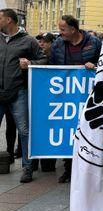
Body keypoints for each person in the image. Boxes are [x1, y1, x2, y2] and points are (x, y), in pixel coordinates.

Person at [49, 15, 102, 183]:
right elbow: (50, 66)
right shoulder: (58, 44)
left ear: (73, 29)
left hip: (89, 96)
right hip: (67, 97)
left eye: (63, 29)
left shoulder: (93, 43)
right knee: (68, 131)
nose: (60, 32)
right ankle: (69, 169)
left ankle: (89, 169)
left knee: (88, 131)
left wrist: (94, 65)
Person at [0, 8, 47, 183]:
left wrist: (31, 63)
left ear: (9, 20)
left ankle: (28, 167)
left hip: (18, 91)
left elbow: (43, 59)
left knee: (24, 130)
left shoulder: (28, 41)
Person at [35, 32, 57, 172]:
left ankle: (48, 163)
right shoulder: (36, 55)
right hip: (39, 98)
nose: (41, 44)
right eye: (40, 41)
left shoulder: (57, 57)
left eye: (44, 41)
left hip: (54, 100)